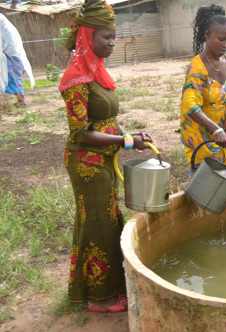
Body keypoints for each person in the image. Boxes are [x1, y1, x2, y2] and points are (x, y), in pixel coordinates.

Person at [59, 0, 153, 313]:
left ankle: (106, 287)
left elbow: (108, 119)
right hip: (86, 165)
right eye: (106, 37)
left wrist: (130, 138)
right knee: (98, 224)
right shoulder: (75, 79)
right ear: (87, 36)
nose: (112, 42)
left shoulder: (98, 72)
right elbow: (81, 133)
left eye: (114, 36)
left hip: (103, 160)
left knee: (108, 221)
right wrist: (124, 141)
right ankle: (99, 298)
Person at [180, 6, 226, 170]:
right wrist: (216, 130)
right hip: (204, 139)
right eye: (221, 39)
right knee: (207, 188)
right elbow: (190, 106)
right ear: (206, 36)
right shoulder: (197, 68)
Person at [0, 13, 34, 107]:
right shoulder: (4, 22)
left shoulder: (2, 22)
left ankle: (21, 100)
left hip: (10, 54)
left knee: (13, 77)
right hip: (10, 52)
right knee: (10, 77)